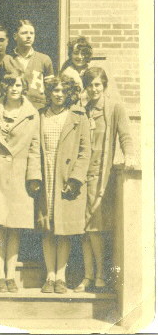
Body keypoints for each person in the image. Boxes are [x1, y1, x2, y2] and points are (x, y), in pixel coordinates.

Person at [74, 67, 135, 293]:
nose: (94, 89)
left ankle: (98, 275)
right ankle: (88, 275)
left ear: (104, 86)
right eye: (90, 85)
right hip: (81, 177)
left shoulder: (114, 108)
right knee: (83, 228)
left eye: (98, 85)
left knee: (95, 227)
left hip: (101, 178)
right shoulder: (84, 109)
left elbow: (126, 136)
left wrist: (129, 155)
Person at [0, 73, 41, 293]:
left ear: (23, 87)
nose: (14, 88)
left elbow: (35, 146)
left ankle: (11, 276)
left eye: (18, 84)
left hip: (20, 171)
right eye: (10, 84)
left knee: (15, 226)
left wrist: (34, 176)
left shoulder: (31, 114)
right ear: (5, 87)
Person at [36, 75, 90, 294]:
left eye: (62, 91)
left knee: (64, 228)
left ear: (68, 94)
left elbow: (85, 151)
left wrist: (76, 178)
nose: (58, 95)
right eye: (54, 90)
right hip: (46, 173)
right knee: (47, 226)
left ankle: (61, 276)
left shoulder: (78, 116)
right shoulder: (40, 115)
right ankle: (49, 275)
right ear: (48, 93)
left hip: (66, 177)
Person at [11, 20, 55, 109]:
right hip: (15, 108)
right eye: (24, 33)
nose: (29, 36)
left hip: (38, 108)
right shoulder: (8, 60)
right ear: (15, 36)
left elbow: (51, 89)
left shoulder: (44, 59)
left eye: (32, 33)